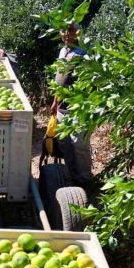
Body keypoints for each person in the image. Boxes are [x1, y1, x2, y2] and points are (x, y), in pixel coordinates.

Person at [50, 22, 93, 186]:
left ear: (78, 31)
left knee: (79, 144)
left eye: (71, 30)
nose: (67, 34)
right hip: (62, 107)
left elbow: (93, 79)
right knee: (65, 143)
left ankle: (86, 179)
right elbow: (59, 76)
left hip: (79, 108)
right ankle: (74, 176)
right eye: (63, 30)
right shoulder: (63, 50)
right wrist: (55, 101)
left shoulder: (84, 52)